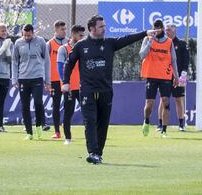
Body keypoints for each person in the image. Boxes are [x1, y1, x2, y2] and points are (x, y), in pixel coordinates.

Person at [62, 15, 158, 164]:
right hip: (87, 91)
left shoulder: (110, 43)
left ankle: (98, 153)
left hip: (106, 91)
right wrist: (66, 82)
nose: (104, 29)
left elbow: (127, 38)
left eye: (104, 26)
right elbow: (69, 64)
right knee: (90, 121)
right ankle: (93, 152)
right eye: (101, 26)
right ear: (92, 28)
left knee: (102, 123)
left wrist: (145, 33)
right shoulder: (81, 46)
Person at [140, 19, 179, 138]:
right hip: (151, 75)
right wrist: (150, 43)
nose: (157, 30)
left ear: (162, 28)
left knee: (166, 102)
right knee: (149, 104)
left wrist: (176, 76)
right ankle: (146, 121)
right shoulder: (147, 39)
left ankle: (164, 130)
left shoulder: (169, 42)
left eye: (159, 28)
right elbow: (142, 55)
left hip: (165, 76)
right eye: (155, 28)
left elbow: (173, 60)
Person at [12, 24, 51, 140]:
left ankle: (39, 126)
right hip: (23, 78)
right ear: (22, 33)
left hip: (37, 77)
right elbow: (14, 62)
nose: (27, 37)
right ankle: (29, 133)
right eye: (25, 35)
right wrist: (14, 79)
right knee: (25, 105)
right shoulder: (18, 43)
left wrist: (47, 80)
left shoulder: (41, 42)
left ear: (33, 33)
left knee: (38, 102)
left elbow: (47, 61)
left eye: (29, 35)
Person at [156, 24, 189, 132]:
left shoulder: (182, 44)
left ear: (175, 31)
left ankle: (181, 124)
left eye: (169, 30)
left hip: (177, 77)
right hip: (164, 77)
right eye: (166, 30)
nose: (167, 32)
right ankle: (160, 124)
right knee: (163, 99)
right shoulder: (161, 43)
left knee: (178, 99)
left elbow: (185, 61)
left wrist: (183, 74)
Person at [57, 24, 85, 145]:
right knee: (68, 112)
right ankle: (67, 138)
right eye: (80, 35)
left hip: (83, 86)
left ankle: (89, 136)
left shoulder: (84, 48)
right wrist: (65, 83)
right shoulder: (63, 49)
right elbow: (59, 67)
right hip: (69, 87)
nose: (83, 37)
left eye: (84, 35)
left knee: (87, 112)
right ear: (73, 34)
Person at [46, 20, 69, 138]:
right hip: (54, 80)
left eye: (65, 29)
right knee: (55, 105)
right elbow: (45, 62)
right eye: (62, 29)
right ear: (56, 30)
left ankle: (66, 127)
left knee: (67, 104)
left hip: (66, 79)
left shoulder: (69, 43)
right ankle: (57, 131)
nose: (64, 31)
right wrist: (46, 80)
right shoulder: (50, 44)